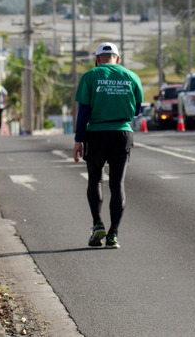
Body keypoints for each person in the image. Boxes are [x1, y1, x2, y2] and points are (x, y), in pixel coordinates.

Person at [72, 42, 143, 249]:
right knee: (117, 184)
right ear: (117, 59)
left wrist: (78, 140)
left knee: (95, 180)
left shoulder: (90, 77)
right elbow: (137, 109)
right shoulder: (132, 77)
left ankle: (97, 224)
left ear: (97, 60)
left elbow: (83, 112)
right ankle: (113, 235)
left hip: (96, 134)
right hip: (122, 133)